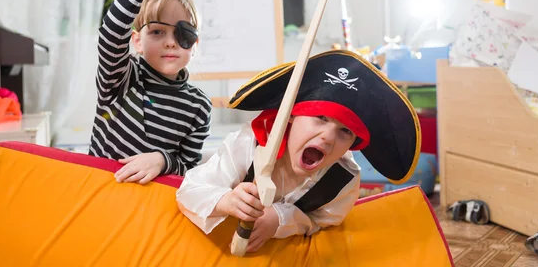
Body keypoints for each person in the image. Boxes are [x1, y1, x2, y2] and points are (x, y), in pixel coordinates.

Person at [176, 50, 420, 252]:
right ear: (292, 115)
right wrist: (225, 200)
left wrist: (281, 219)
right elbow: (190, 189)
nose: (327, 136)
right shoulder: (249, 143)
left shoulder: (344, 181)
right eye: (320, 118)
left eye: (345, 132)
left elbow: (322, 220)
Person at [89, 0, 212, 185]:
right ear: (137, 41)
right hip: (98, 200)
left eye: (183, 33)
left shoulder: (198, 106)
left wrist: (162, 160)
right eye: (157, 32)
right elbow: (112, 28)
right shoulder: (121, 79)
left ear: (195, 43)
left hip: (150, 213)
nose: (170, 42)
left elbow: (188, 168)